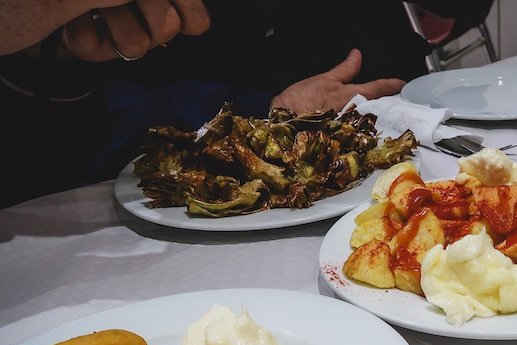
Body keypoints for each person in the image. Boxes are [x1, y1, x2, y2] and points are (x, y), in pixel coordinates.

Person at [0, 1, 490, 208]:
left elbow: (464, 8)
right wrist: (267, 108)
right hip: (227, 180)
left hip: (416, 123)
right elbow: (113, 114)